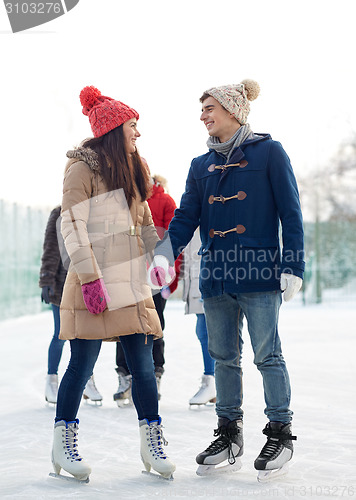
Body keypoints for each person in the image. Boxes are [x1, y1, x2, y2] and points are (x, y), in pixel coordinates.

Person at [147, 79, 304, 480]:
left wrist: (293, 265)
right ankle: (229, 431)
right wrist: (165, 254)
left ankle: (280, 432)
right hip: (215, 275)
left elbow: (291, 213)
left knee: (267, 355)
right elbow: (185, 218)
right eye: (201, 109)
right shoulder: (201, 166)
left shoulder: (270, 153)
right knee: (223, 358)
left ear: (233, 111)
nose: (202, 116)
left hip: (259, 272)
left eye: (208, 108)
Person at [51, 85, 176, 482]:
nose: (138, 134)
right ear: (113, 128)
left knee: (142, 366)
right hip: (96, 282)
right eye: (132, 126)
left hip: (131, 281)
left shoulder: (136, 168)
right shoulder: (82, 169)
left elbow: (142, 222)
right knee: (82, 363)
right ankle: (63, 445)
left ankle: (152, 443)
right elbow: (72, 225)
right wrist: (89, 279)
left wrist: (157, 258)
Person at [113, 174, 180, 404]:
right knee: (124, 326)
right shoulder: (125, 199)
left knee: (154, 325)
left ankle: (154, 374)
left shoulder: (166, 201)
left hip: (155, 279)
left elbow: (174, 240)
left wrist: (172, 279)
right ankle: (125, 377)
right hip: (127, 277)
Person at [39, 206, 102, 405]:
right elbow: (50, 247)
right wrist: (46, 279)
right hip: (61, 284)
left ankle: (87, 380)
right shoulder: (59, 213)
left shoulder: (94, 212)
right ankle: (52, 381)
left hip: (87, 284)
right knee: (60, 333)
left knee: (88, 334)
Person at [181, 228, 215, 407]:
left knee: (208, 331)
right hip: (198, 278)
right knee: (203, 331)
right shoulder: (194, 207)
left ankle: (215, 382)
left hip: (212, 277)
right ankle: (213, 381)